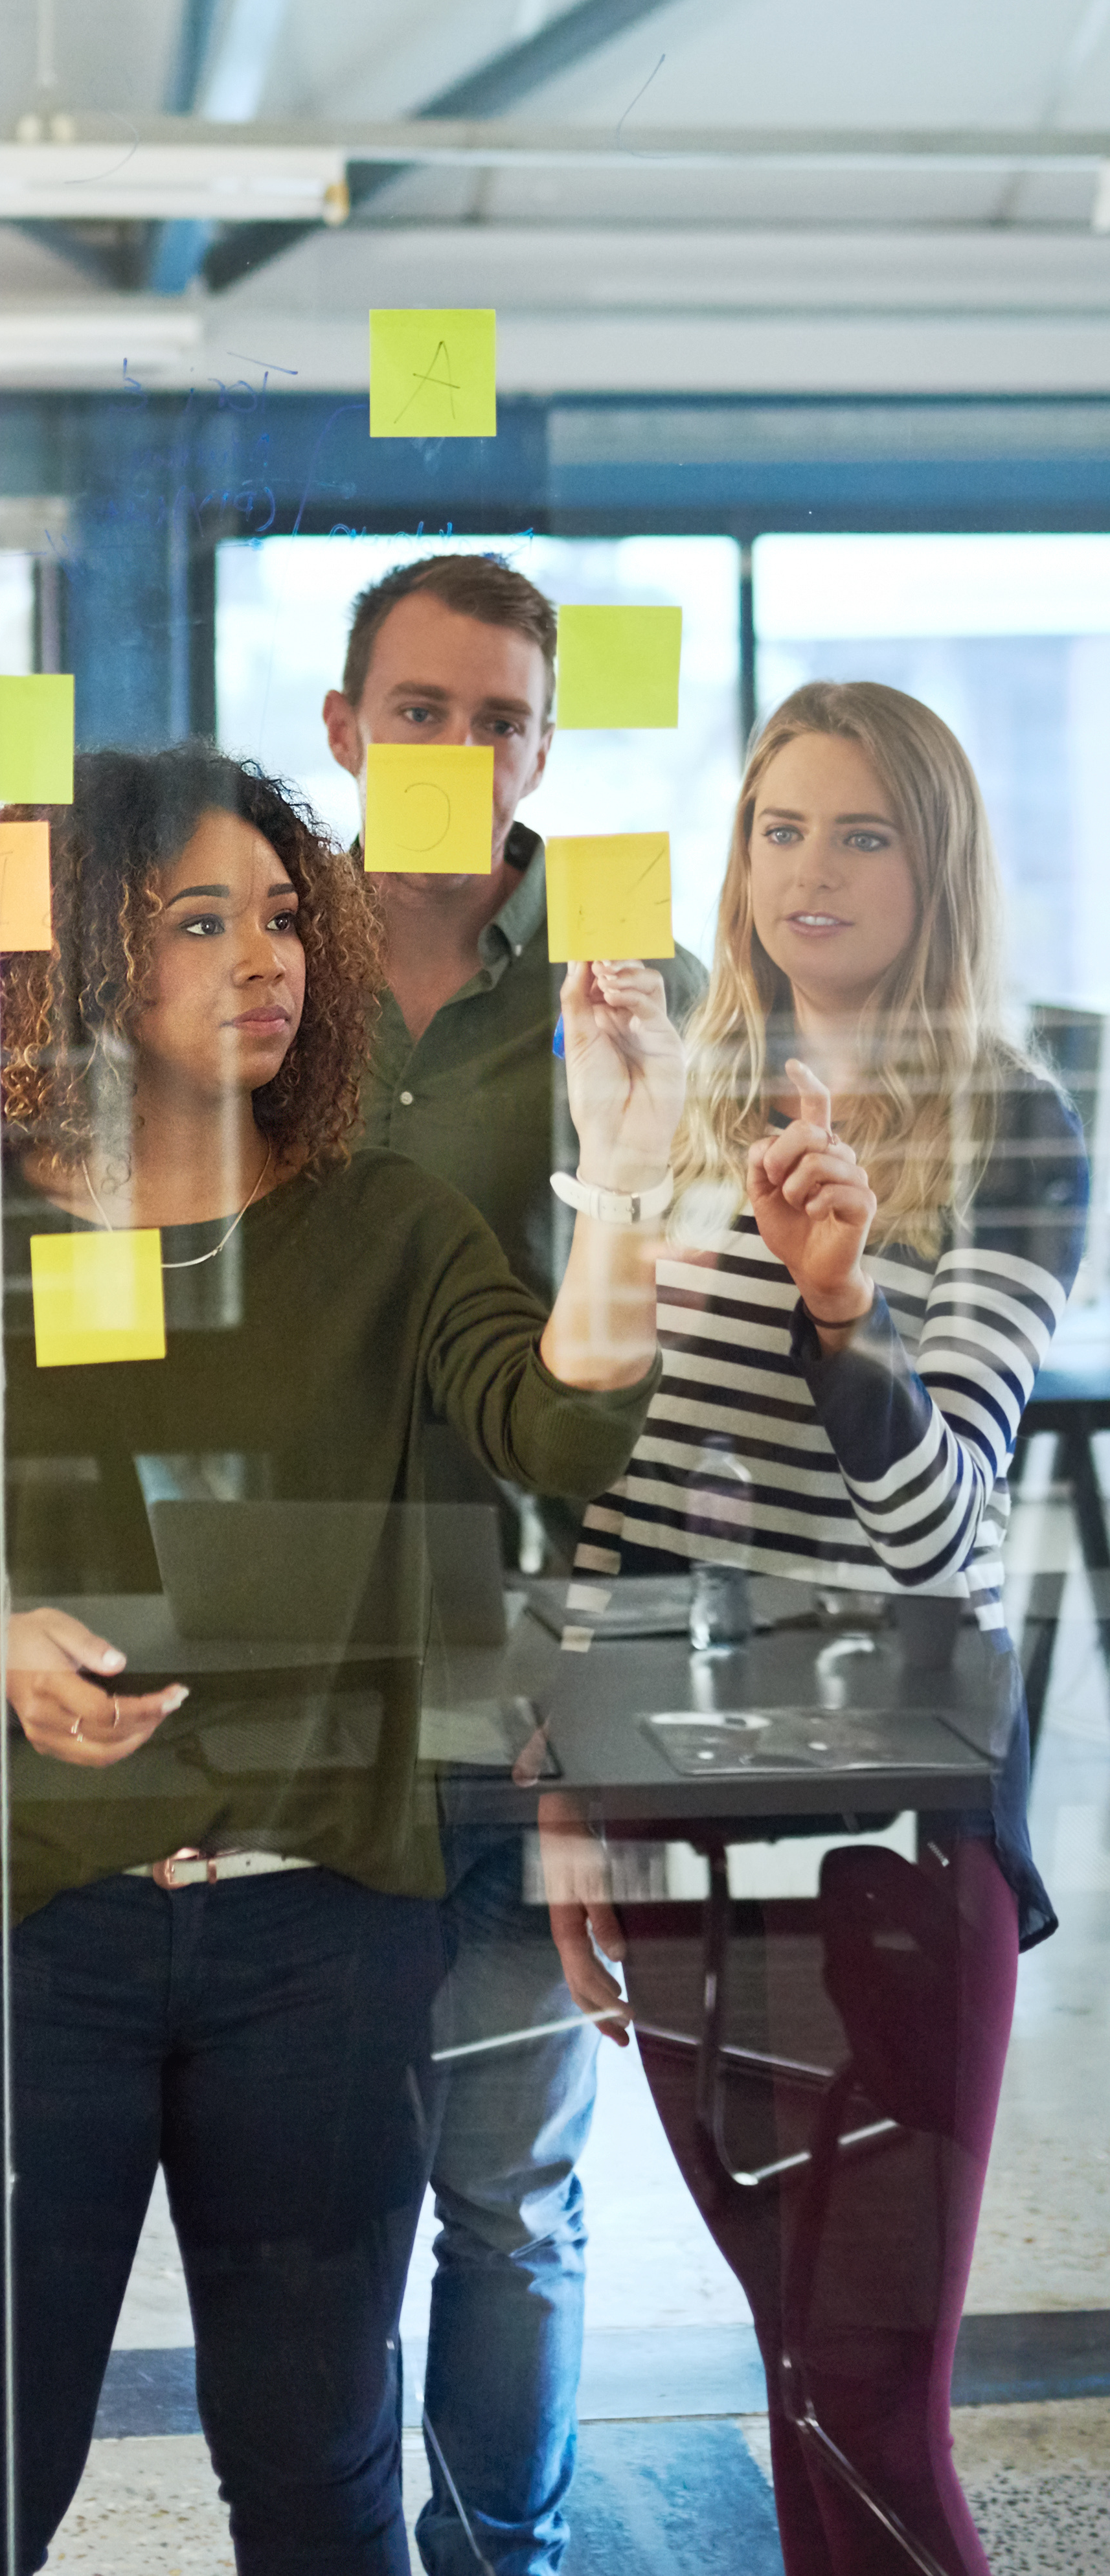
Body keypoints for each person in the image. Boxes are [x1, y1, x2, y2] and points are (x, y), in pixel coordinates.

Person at [0, 745, 685, 2576]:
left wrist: (622, 1166)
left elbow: (564, 1432)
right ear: (83, 962)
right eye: (200, 920)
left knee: (316, 2472)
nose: (262, 955)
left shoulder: (385, 1226)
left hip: (322, 1940)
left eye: (281, 915)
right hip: (23, 1947)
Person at [539, 681, 1088, 2576]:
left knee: (870, 2400)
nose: (809, 870)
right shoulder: (675, 1093)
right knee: (795, 2372)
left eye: (860, 831)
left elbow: (941, 1547)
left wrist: (845, 1317)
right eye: (779, 826)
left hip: (885, 1844)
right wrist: (563, 1798)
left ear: (933, 866)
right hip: (686, 1833)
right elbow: (608, 1487)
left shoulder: (1011, 1124)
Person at [323, 551, 706, 2576]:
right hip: (279, 1680)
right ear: (342, 729)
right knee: (307, 2204)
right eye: (419, 712)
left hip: (519, 1695)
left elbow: (679, 1399)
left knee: (510, 2193)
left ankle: (496, 2559)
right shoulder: (252, 966)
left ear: (547, 743)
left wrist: (615, 1733)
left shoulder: (627, 972)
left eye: (499, 721)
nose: (460, 753)